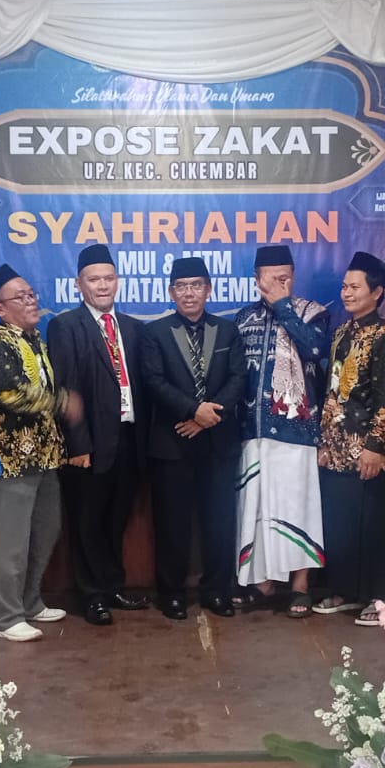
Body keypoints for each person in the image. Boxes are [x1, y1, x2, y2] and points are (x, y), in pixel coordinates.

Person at [46, 244, 151, 626]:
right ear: (79, 285)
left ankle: (112, 586)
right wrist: (77, 444)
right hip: (88, 444)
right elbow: (66, 389)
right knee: (87, 521)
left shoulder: (134, 328)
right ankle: (92, 595)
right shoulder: (65, 326)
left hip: (129, 438)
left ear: (117, 281)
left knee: (116, 518)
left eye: (108, 278)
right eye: (94, 280)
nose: (102, 285)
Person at [139, 257, 247, 619]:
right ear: (171, 292)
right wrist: (191, 410)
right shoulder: (154, 333)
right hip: (172, 443)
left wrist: (206, 419)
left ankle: (217, 591)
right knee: (172, 524)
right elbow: (153, 381)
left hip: (218, 442)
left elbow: (238, 379)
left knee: (219, 522)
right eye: (181, 287)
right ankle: (171, 593)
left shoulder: (228, 330)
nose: (189, 293)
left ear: (208, 289)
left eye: (196, 285)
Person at [0, 264, 76, 642]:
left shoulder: (35, 341)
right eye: (21, 297)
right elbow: (12, 394)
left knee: (44, 533)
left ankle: (30, 602)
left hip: (44, 457)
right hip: (10, 461)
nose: (32, 301)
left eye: (32, 294)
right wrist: (63, 402)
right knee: (10, 543)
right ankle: (4, 617)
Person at [234, 245, 331, 618]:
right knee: (258, 510)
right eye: (271, 278)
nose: (278, 284)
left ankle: (300, 586)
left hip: (298, 430)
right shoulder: (244, 318)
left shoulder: (312, 313)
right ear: (256, 279)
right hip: (253, 430)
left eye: (285, 278)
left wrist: (283, 307)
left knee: (297, 509)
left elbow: (316, 350)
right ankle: (262, 583)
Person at [315, 252, 385, 626]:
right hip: (337, 449)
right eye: (345, 286)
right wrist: (324, 442)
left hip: (368, 451)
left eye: (355, 287)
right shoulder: (341, 333)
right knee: (340, 523)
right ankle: (345, 591)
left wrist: (375, 447)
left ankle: (378, 598)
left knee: (371, 525)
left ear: (377, 292)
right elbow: (332, 392)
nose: (346, 293)